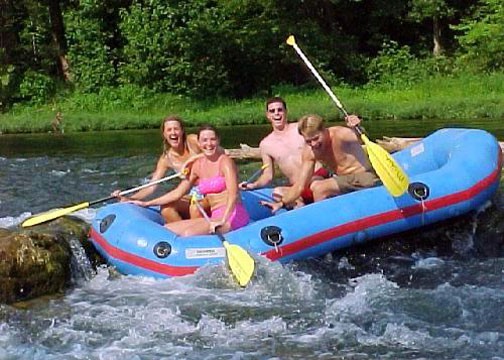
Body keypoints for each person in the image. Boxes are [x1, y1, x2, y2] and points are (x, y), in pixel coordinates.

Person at [129, 124, 249, 236]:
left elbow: (233, 195)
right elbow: (178, 192)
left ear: (218, 140)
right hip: (214, 216)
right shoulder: (197, 166)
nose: (209, 144)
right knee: (166, 230)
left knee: (189, 234)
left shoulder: (225, 162)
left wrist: (223, 221)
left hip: (231, 216)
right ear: (199, 142)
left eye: (213, 139)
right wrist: (147, 203)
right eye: (204, 140)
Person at [261, 114, 379, 212]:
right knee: (312, 186)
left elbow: (361, 137)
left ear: (324, 130)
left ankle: (321, 220)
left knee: (319, 187)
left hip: (366, 177)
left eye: (316, 138)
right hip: (341, 180)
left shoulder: (341, 133)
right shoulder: (310, 152)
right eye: (308, 141)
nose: (313, 144)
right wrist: (281, 203)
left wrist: (357, 128)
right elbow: (300, 185)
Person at [112, 115, 205, 222]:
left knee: (196, 208)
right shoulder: (166, 159)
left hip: (212, 188)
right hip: (195, 193)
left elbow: (213, 152)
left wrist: (192, 161)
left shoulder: (193, 141)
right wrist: (129, 199)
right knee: (167, 209)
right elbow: (151, 187)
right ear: (164, 134)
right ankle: (183, 234)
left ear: (182, 131)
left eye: (176, 129)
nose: (173, 133)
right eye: (169, 130)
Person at [239, 97, 329, 205]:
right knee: (277, 193)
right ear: (268, 115)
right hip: (296, 187)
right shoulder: (266, 144)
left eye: (280, 110)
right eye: (272, 111)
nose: (277, 113)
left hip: (316, 177)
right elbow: (268, 175)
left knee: (316, 184)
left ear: (286, 112)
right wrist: (253, 185)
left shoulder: (300, 129)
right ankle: (301, 212)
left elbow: (323, 138)